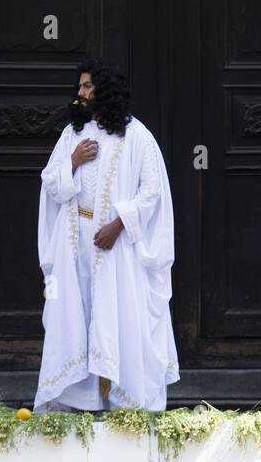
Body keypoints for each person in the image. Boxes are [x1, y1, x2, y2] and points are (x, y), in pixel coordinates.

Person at [35, 59, 179, 411]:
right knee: (76, 318)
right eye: (80, 87)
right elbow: (51, 184)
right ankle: (81, 400)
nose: (80, 93)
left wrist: (119, 224)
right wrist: (72, 161)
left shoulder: (137, 136)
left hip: (116, 248)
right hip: (75, 244)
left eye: (87, 86)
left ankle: (120, 401)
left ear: (105, 90)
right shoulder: (73, 134)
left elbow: (153, 191)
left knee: (115, 318)